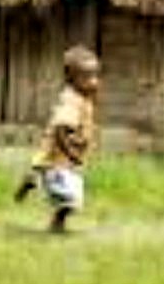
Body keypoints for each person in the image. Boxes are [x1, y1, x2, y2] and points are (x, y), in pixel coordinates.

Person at [11, 45, 102, 234]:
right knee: (71, 198)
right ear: (71, 78)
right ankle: (56, 223)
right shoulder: (71, 101)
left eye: (95, 75)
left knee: (72, 196)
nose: (93, 81)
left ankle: (33, 179)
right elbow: (60, 129)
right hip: (57, 159)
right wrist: (71, 153)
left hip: (62, 160)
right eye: (87, 77)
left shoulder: (83, 98)